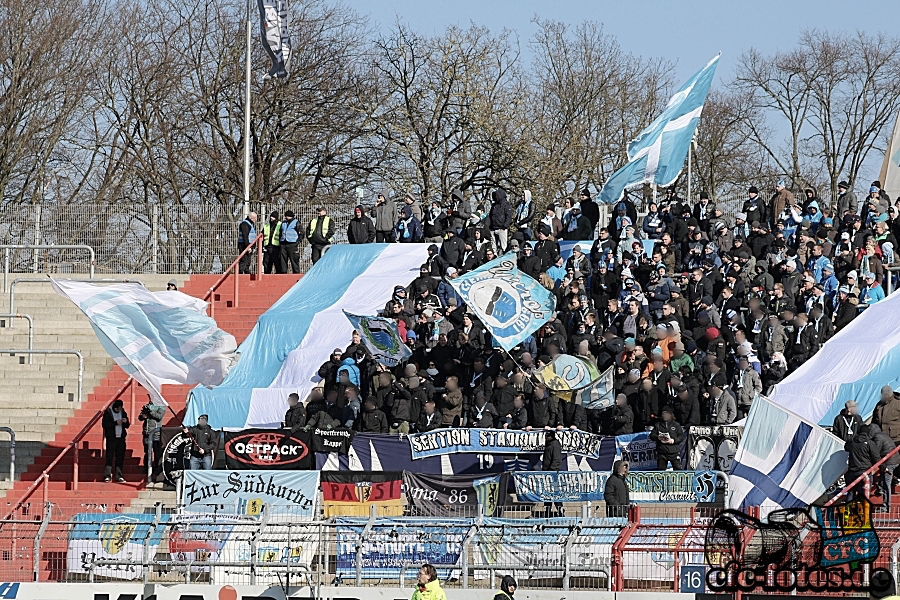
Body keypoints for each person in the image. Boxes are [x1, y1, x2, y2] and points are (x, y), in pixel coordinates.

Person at [102, 399, 130, 483]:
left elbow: (127, 425)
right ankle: (107, 475)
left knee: (120, 457)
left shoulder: (123, 412)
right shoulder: (108, 412)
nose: (119, 410)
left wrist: (125, 421)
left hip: (121, 438)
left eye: (120, 409)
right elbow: (104, 424)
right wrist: (115, 423)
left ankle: (118, 475)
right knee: (109, 456)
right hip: (111, 438)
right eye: (117, 409)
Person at [138, 401, 166, 484]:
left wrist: (150, 411)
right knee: (147, 452)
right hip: (146, 432)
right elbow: (140, 418)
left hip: (156, 433)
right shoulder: (147, 405)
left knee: (157, 452)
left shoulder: (161, 406)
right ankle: (147, 467)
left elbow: (159, 416)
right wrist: (143, 415)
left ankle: (157, 469)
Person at [542, 430, 563, 516]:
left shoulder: (555, 445)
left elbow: (556, 460)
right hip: (547, 473)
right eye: (546, 436)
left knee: (555, 493)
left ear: (552, 436)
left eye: (548, 436)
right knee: (547, 494)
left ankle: (560, 511)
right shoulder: (548, 445)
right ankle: (547, 512)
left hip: (552, 474)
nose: (546, 438)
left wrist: (551, 471)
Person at [488, 188, 513, 253]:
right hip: (493, 228)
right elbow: (490, 216)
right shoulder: (494, 205)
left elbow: (509, 217)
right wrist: (490, 226)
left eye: (497, 195)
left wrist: (504, 226)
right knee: (493, 247)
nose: (496, 197)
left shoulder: (506, 205)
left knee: (503, 247)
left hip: (502, 229)